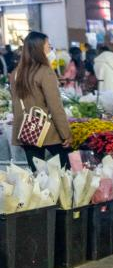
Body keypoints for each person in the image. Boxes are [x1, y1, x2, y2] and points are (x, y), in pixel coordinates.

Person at [10, 31, 71, 172]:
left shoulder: (16, 73)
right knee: (64, 174)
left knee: (38, 177)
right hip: (48, 131)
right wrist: (65, 134)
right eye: (48, 45)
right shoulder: (45, 72)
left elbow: (15, 105)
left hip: (27, 131)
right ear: (39, 49)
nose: (51, 48)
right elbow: (55, 106)